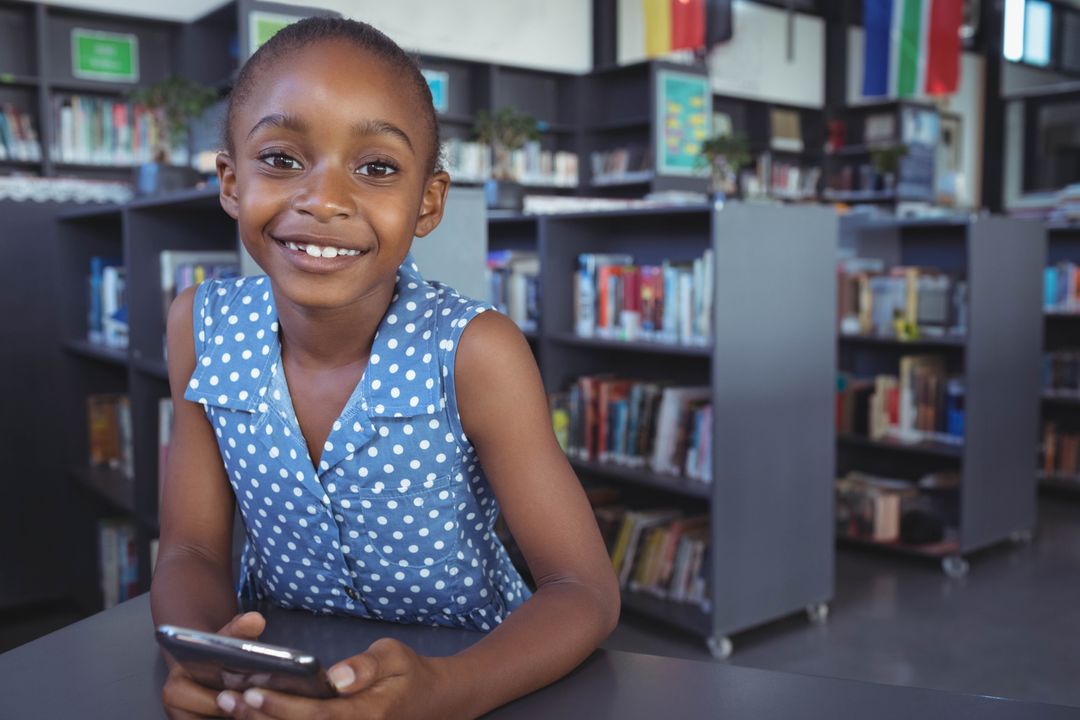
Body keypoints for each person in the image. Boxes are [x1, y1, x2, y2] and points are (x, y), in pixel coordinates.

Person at [150, 16, 620, 720]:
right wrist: (209, 658)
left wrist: (448, 690)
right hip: (284, 689)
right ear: (230, 182)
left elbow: (582, 591)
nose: (324, 199)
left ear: (427, 202)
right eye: (280, 159)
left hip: (476, 679)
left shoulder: (474, 352)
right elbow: (190, 547)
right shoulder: (200, 326)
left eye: (376, 168)